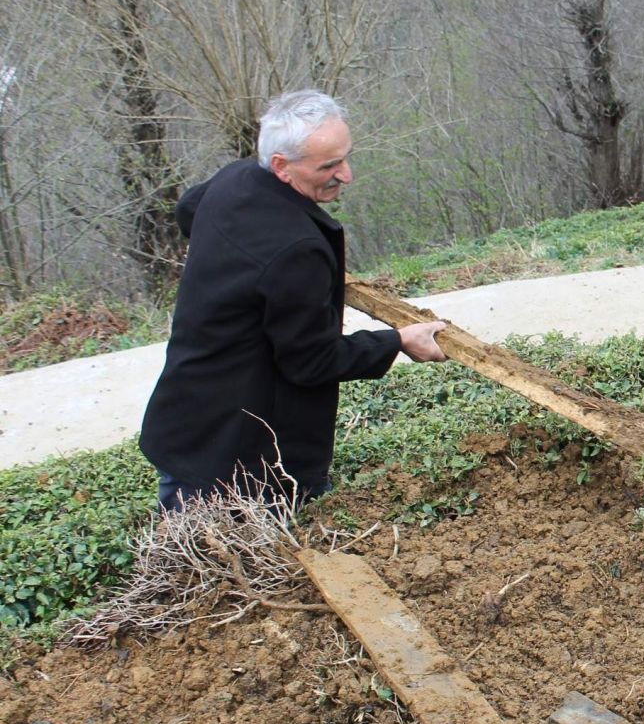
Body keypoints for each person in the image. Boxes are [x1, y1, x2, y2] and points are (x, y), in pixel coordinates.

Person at [140, 90, 449, 511]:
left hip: (186, 418)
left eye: (345, 157)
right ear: (282, 166)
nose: (346, 174)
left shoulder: (236, 178)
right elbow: (312, 361)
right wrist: (398, 341)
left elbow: (188, 210)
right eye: (329, 166)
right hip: (238, 461)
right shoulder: (295, 251)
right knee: (231, 551)